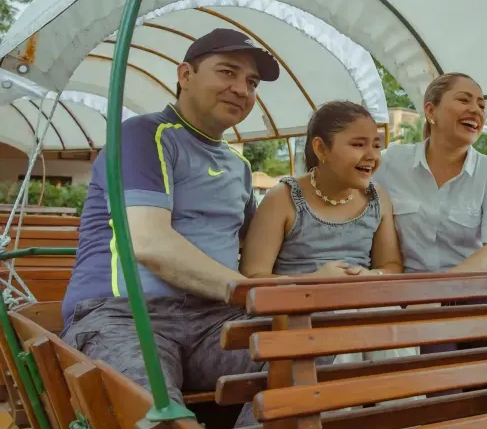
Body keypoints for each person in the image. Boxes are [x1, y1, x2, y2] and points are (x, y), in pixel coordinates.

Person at [60, 27, 280, 406]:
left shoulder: (238, 165)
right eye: (227, 72)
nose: (242, 89)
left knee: (302, 352)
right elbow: (150, 245)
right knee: (152, 407)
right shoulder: (143, 135)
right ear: (185, 75)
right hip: (124, 315)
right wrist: (249, 292)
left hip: (212, 319)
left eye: (252, 82)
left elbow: (259, 251)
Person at [374, 72, 487, 356]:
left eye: (481, 105)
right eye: (464, 100)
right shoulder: (390, 163)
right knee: (437, 387)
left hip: (476, 295)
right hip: (410, 296)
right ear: (430, 111)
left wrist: (439, 292)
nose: (475, 110)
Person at [240, 100, 403, 280]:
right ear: (321, 149)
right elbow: (252, 276)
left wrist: (371, 275)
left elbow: (391, 266)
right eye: (358, 144)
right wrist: (312, 281)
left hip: (361, 305)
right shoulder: (283, 198)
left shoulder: (377, 199)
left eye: (376, 146)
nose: (372, 156)